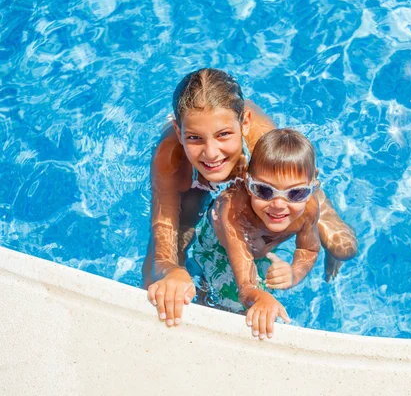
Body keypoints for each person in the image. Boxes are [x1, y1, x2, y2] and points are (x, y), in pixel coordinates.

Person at [144, 68, 357, 327]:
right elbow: (161, 241)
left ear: (244, 124)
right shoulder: (170, 159)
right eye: (194, 138)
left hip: (266, 172)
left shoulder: (260, 141)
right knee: (161, 281)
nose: (211, 154)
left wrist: (327, 242)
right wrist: (171, 271)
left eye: (224, 135)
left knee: (342, 246)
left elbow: (296, 182)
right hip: (193, 181)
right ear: (179, 133)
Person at [193, 129, 320, 339]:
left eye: (296, 193)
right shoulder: (233, 210)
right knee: (218, 306)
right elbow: (246, 285)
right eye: (264, 190)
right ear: (247, 181)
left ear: (312, 187)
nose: (279, 205)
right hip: (217, 246)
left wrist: (295, 273)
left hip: (260, 247)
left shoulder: (309, 209)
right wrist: (257, 295)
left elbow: (308, 248)